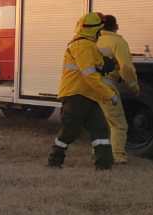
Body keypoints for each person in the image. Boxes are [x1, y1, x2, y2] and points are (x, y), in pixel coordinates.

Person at [48, 12, 118, 170]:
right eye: (100, 30)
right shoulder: (83, 46)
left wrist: (105, 64)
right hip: (76, 96)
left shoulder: (88, 46)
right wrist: (109, 94)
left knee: (100, 129)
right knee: (70, 131)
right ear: (94, 30)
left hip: (88, 95)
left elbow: (96, 66)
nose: (101, 34)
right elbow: (90, 75)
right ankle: (54, 161)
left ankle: (104, 165)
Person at [97, 14, 139, 164]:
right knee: (118, 124)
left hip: (90, 86)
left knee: (99, 123)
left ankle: (98, 153)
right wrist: (133, 86)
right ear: (116, 27)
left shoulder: (93, 41)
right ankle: (117, 156)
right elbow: (126, 67)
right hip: (107, 86)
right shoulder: (118, 42)